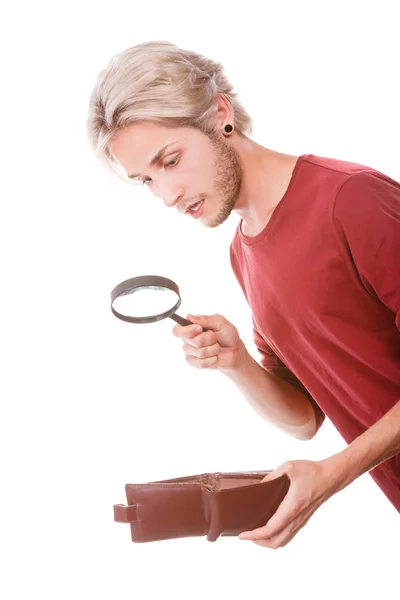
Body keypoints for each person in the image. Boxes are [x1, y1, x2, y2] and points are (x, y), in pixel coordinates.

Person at [87, 41, 400, 548]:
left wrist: (334, 474)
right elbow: (304, 420)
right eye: (146, 180)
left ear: (220, 114)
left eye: (170, 161)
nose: (166, 197)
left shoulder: (350, 199)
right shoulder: (243, 254)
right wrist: (236, 364)